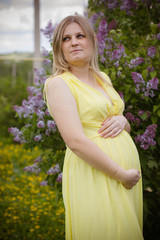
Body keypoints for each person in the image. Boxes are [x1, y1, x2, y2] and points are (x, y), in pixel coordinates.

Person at [44, 14, 143, 240]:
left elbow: (117, 123)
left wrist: (123, 120)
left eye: (80, 36)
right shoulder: (59, 83)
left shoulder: (102, 78)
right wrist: (121, 174)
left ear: (92, 41)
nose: (74, 42)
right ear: (59, 48)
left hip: (123, 178)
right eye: (66, 39)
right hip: (96, 174)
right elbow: (75, 142)